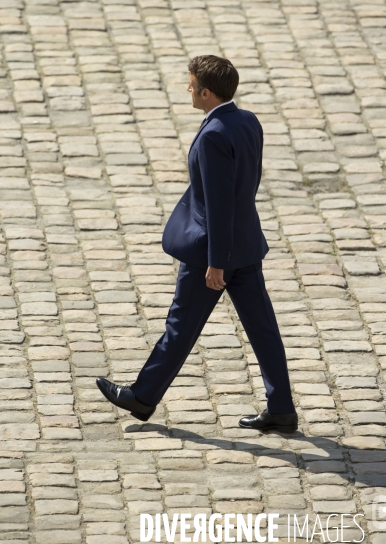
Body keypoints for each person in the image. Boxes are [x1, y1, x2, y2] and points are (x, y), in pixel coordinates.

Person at [96, 55, 297, 433]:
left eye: (191, 85)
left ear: (206, 93)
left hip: (213, 251)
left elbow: (219, 204)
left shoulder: (213, 136)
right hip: (247, 243)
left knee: (181, 325)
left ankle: (142, 397)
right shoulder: (247, 120)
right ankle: (282, 409)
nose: (188, 89)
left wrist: (216, 262)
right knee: (263, 328)